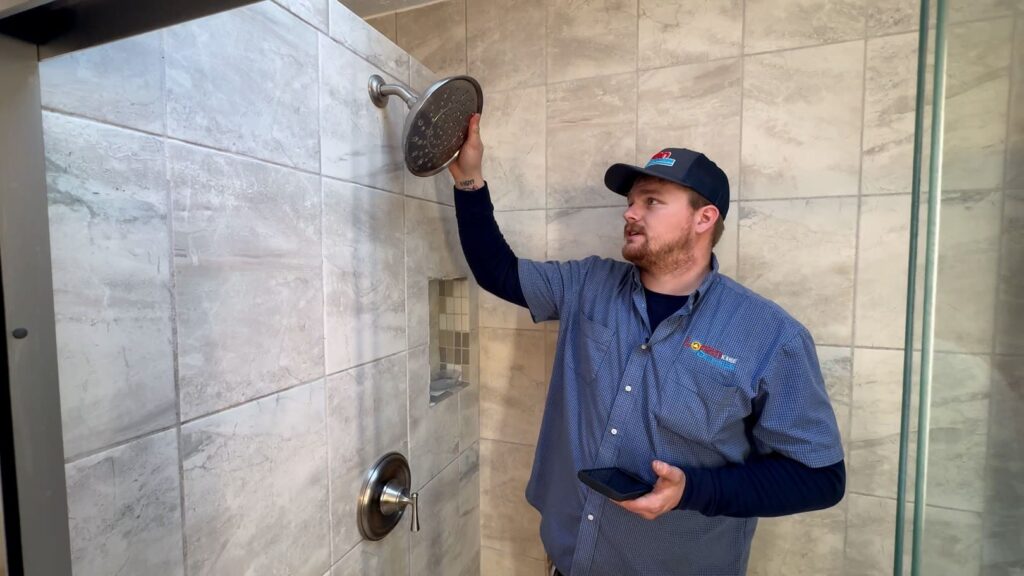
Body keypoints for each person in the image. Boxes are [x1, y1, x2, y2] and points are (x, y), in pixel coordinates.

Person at [450, 113, 845, 576]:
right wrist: (469, 180)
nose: (630, 213)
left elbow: (819, 477)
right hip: (570, 561)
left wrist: (694, 490)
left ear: (704, 218)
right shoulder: (589, 284)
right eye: (632, 201)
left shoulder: (770, 335)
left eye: (652, 201)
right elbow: (497, 271)